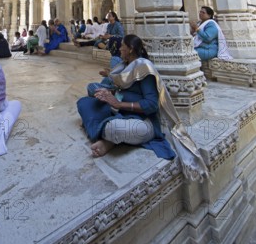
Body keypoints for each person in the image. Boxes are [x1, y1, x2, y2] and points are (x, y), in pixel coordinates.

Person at [77, 35, 209, 181]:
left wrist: (118, 104)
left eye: (122, 46)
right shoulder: (125, 66)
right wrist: (109, 93)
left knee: (115, 128)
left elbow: (151, 105)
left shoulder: (143, 68)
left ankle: (109, 140)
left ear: (130, 49)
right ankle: (110, 138)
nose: (120, 48)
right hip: (121, 112)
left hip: (144, 121)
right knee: (84, 102)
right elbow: (120, 90)